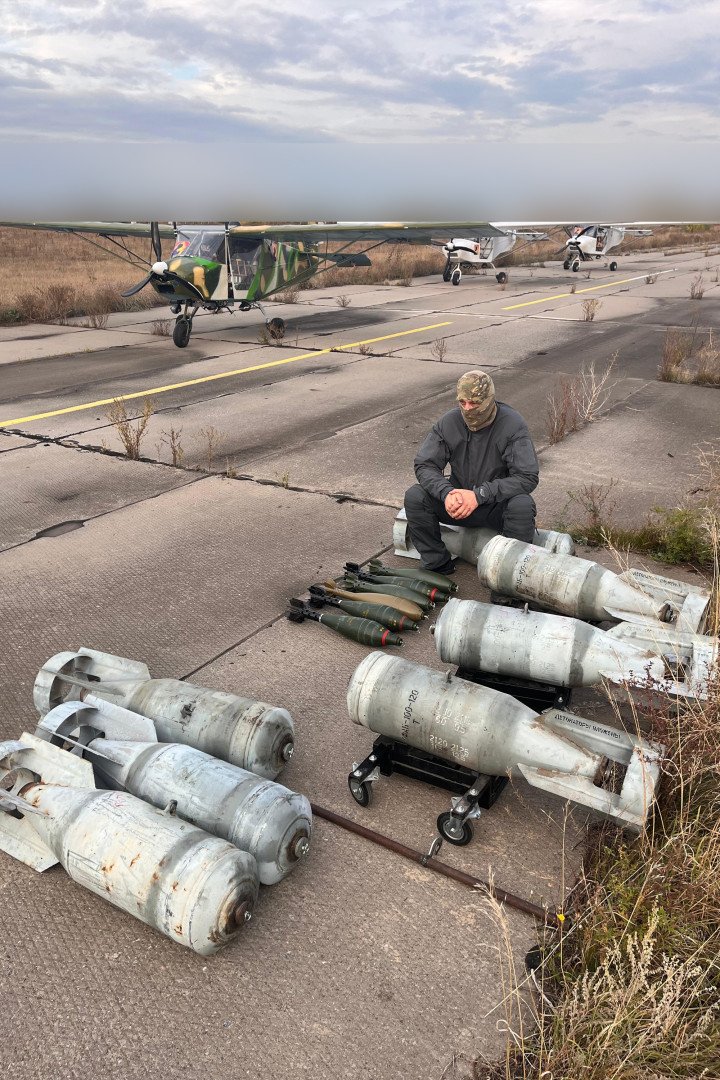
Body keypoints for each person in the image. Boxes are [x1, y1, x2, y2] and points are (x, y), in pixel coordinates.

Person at [404, 370, 538, 574]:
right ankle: (437, 564)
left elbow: (527, 477)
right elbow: (425, 464)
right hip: (456, 504)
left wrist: (479, 495)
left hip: (494, 506)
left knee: (522, 505)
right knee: (415, 496)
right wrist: (446, 493)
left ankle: (507, 579)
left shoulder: (512, 424)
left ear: (489, 399)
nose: (468, 409)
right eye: (463, 402)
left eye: (474, 403)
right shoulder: (448, 423)